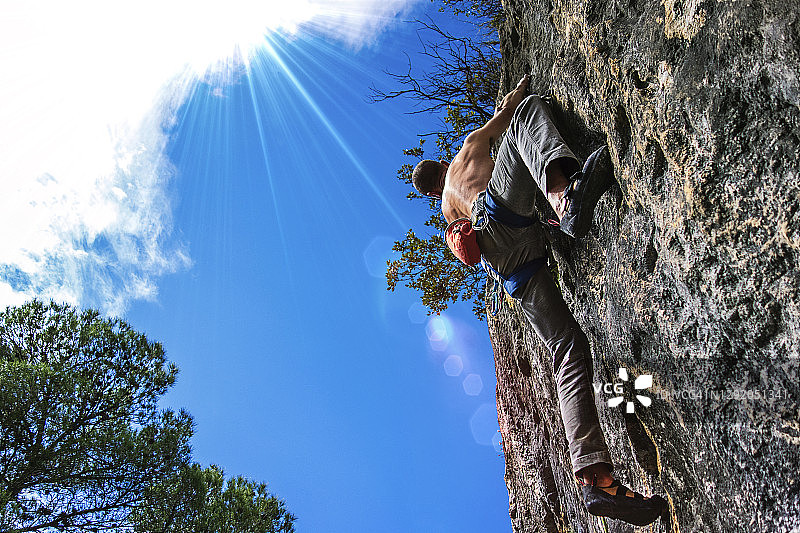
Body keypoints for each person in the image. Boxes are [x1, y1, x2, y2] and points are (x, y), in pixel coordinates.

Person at [411, 74, 667, 526]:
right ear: (439, 165)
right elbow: (509, 111)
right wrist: (519, 87)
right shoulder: (466, 153)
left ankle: (594, 478)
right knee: (528, 112)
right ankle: (564, 196)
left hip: (510, 267)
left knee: (566, 347)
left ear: (431, 191)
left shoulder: (447, 210)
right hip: (504, 216)